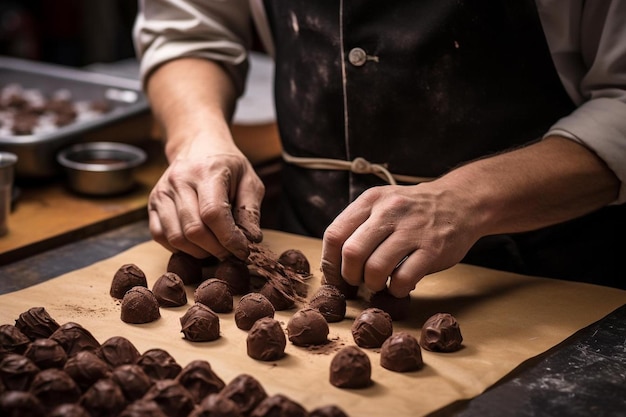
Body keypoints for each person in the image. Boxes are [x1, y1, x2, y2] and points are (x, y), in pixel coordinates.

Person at [133, 0, 626, 294]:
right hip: (303, 242)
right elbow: (192, 28)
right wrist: (197, 136)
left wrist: (468, 197)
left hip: (550, 276)